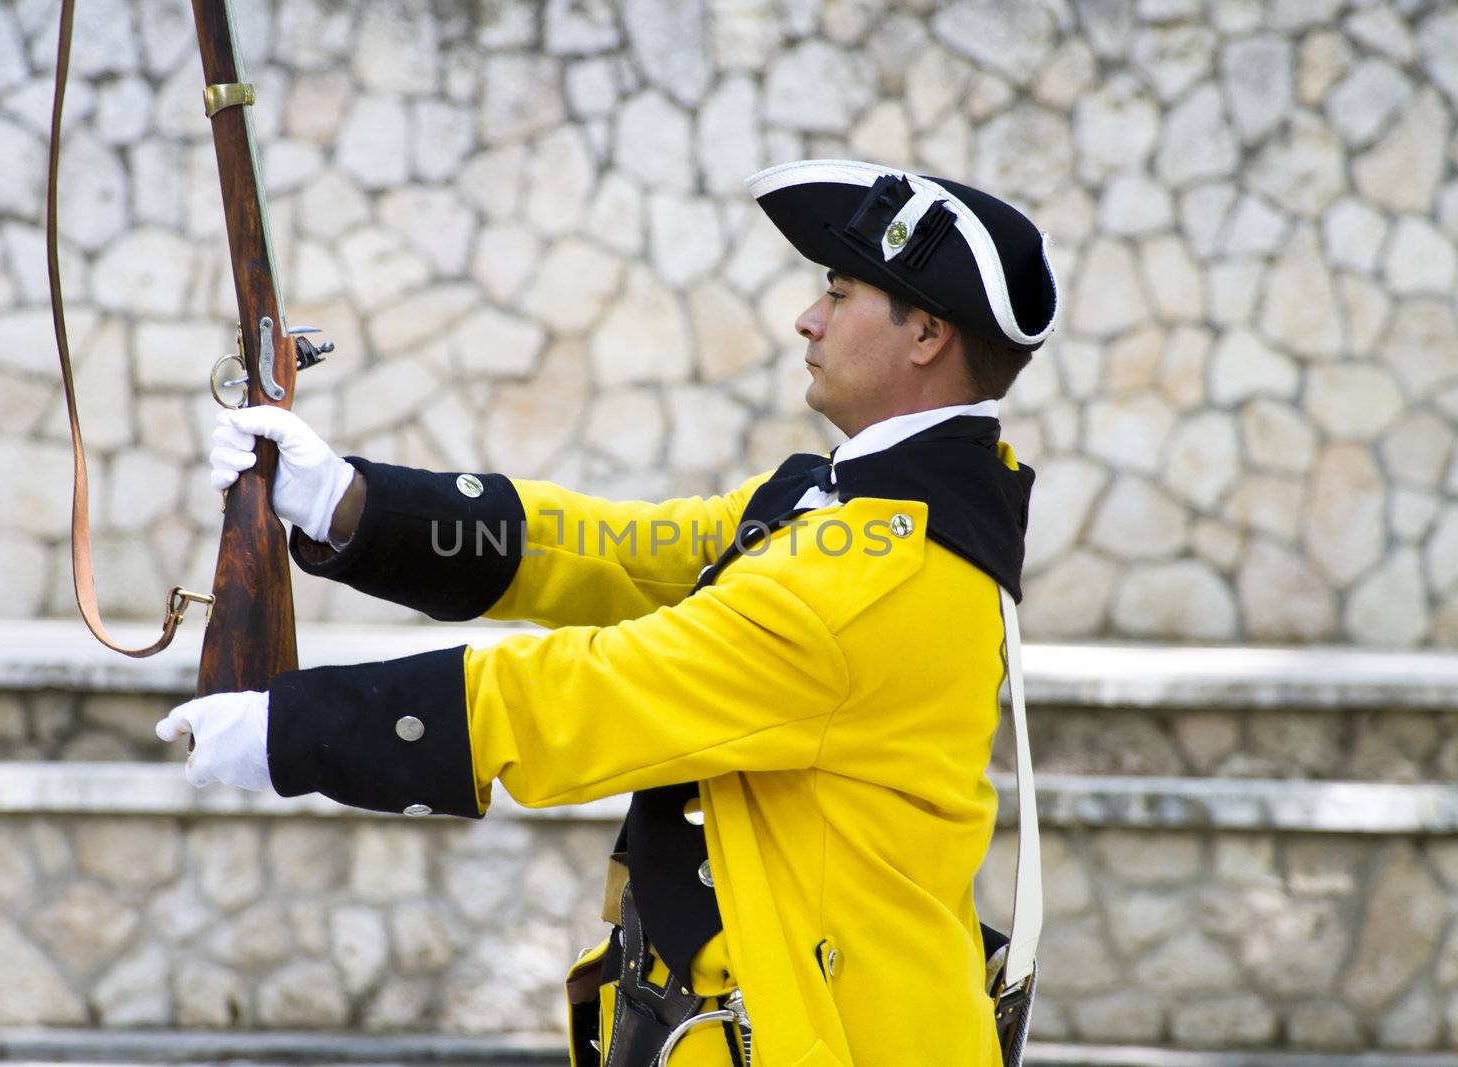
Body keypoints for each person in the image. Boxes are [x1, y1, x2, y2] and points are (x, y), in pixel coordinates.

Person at [158, 159, 1060, 1067]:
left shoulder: (867, 581)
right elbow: (612, 551)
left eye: (843, 290)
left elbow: (588, 694)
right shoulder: (843, 511)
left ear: (927, 336)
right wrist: (351, 502)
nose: (809, 316)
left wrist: (291, 731)